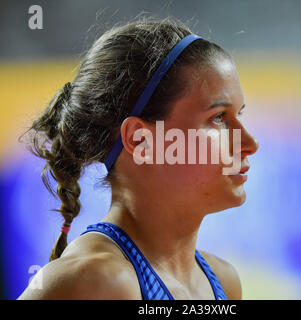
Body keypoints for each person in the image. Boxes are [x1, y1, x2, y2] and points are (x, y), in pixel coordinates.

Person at [17, 16, 259, 300]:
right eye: (218, 118)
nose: (250, 143)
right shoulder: (94, 282)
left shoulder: (223, 281)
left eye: (238, 114)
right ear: (140, 141)